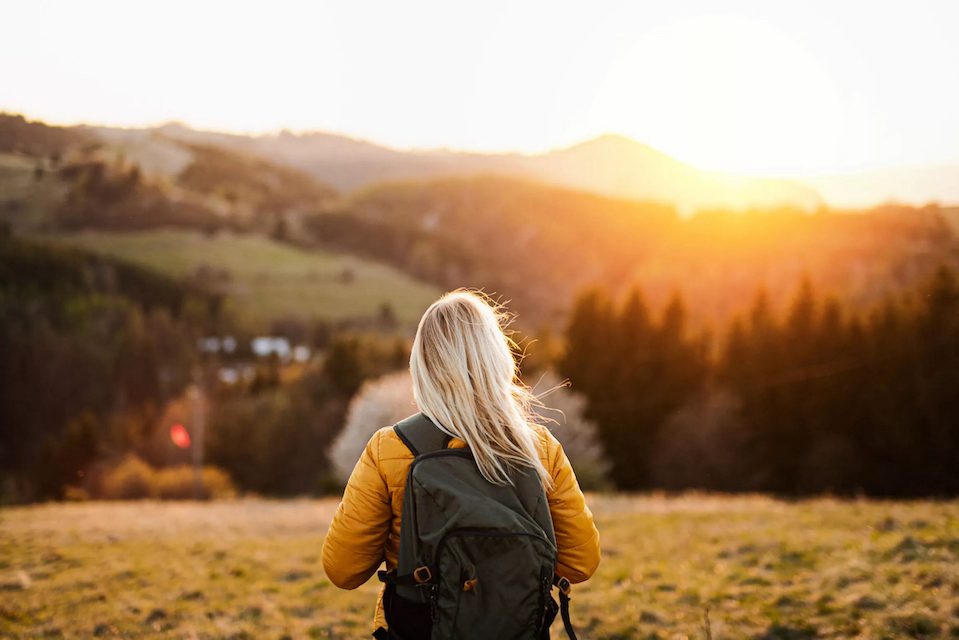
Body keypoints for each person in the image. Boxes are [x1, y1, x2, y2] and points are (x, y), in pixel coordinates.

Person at [321, 288, 601, 636]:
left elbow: (342, 570)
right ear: (498, 360)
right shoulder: (540, 449)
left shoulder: (389, 449)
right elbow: (581, 563)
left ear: (423, 366)